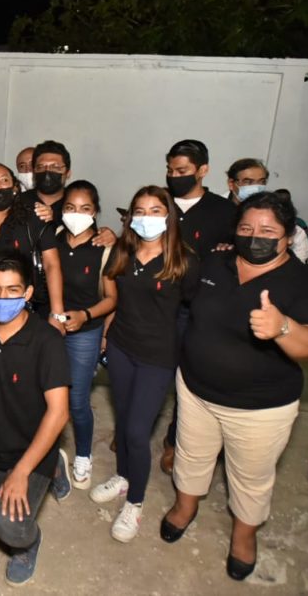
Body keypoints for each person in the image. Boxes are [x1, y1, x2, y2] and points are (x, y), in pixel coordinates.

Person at [160, 192, 308, 581]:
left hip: (259, 408)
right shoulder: (215, 262)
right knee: (191, 455)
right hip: (196, 390)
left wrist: (283, 328)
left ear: (289, 236)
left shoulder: (307, 283)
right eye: (246, 228)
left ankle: (244, 536)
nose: (255, 237)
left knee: (251, 477)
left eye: (268, 231)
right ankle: (185, 507)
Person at [88, 186, 199, 543]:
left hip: (158, 356)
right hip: (121, 347)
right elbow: (116, 300)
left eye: (155, 211)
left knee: (137, 431)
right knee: (123, 421)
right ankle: (123, 477)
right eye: (140, 210)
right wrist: (106, 335)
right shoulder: (123, 250)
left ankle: (134, 502)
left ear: (168, 216)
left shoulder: (183, 260)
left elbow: (193, 310)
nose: (147, 218)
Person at [0, 252, 70, 586]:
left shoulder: (47, 341)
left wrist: (22, 472)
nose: (2, 298)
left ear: (28, 293)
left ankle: (30, 543)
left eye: (13, 290)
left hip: (32, 449)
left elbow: (59, 412)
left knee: (9, 527)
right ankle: (52, 469)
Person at [158, 139, 237, 473]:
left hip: (198, 308)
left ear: (203, 170)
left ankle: (175, 441)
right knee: (151, 371)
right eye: (170, 170)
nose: (175, 176)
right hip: (156, 304)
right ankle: (136, 427)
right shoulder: (157, 203)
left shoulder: (224, 212)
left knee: (189, 380)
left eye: (182, 171)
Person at [54, 181, 115, 490]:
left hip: (85, 332)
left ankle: (83, 454)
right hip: (50, 327)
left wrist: (85, 316)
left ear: (95, 211)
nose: (76, 214)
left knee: (77, 399)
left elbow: (112, 298)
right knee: (46, 393)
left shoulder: (104, 248)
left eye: (85, 208)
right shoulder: (53, 237)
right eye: (70, 207)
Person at [0, 162, 66, 333]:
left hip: (22, 304)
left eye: (4, 180)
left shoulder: (34, 217)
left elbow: (52, 264)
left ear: (14, 188)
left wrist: (57, 313)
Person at [225, 158, 308, 263]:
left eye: (262, 182)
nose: (256, 187)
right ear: (231, 183)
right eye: (248, 182)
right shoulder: (215, 209)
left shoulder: (279, 214)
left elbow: (299, 257)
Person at [19, 140, 71, 223]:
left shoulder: (74, 204)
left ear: (68, 173)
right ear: (34, 172)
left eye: (55, 167)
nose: (47, 172)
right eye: (41, 167)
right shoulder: (19, 202)